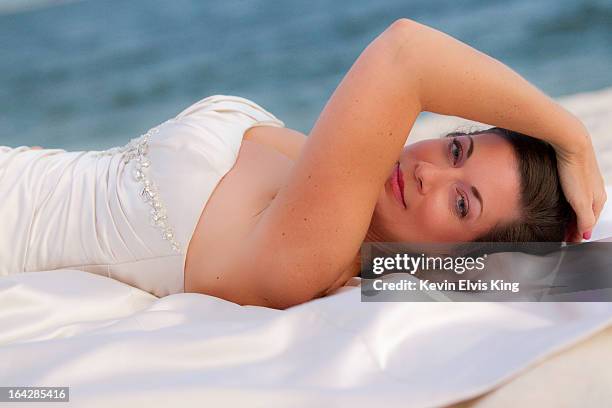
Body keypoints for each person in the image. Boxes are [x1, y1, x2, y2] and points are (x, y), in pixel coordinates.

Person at [0, 19, 606, 309]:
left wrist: (573, 138)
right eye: (456, 150)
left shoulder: (311, 255)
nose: (429, 173)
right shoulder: (338, 179)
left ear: (458, 259)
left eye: (460, 202)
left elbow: (406, 55)